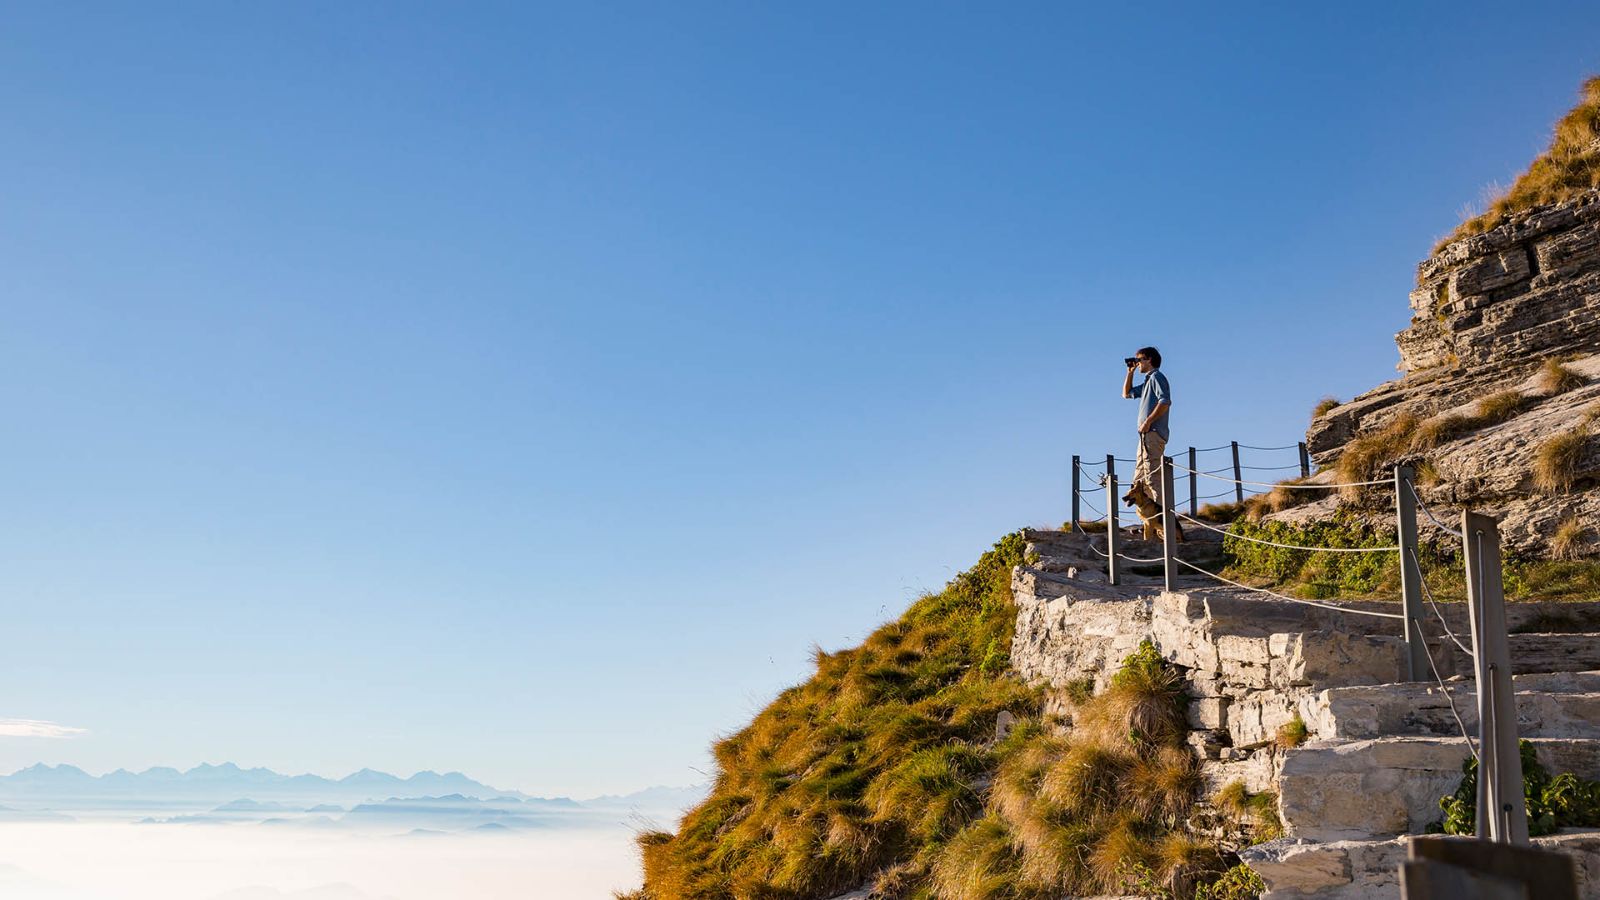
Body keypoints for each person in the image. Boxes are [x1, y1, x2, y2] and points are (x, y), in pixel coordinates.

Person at [1121, 346, 1172, 507]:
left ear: (1149, 359)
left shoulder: (1157, 377)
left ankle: (1162, 521)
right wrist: (1130, 372)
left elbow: (1165, 402)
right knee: (1140, 481)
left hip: (1153, 433)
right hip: (1145, 435)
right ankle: (1149, 522)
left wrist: (1148, 421)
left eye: (1139, 360)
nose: (1138, 363)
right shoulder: (1148, 381)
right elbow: (1127, 394)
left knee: (1152, 477)